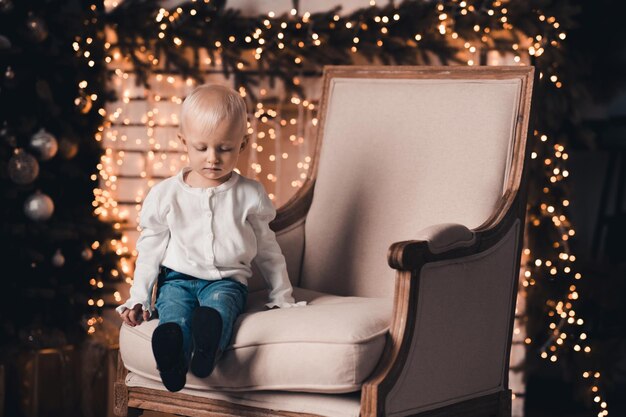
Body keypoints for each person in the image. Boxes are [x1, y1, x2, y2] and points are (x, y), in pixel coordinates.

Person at [116, 83, 304, 392]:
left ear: (242, 144)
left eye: (225, 148)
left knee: (219, 309)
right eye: (201, 148)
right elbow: (150, 249)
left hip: (226, 281)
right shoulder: (166, 195)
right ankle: (172, 360)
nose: (212, 158)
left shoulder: (250, 194)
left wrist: (281, 294)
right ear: (184, 142)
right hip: (175, 280)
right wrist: (139, 296)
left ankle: (207, 351)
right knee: (174, 316)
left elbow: (268, 249)